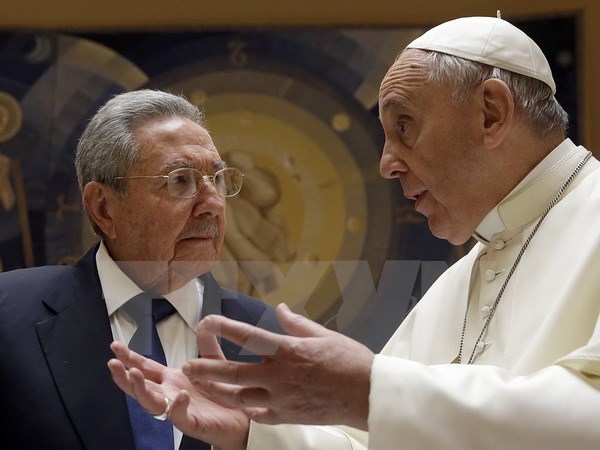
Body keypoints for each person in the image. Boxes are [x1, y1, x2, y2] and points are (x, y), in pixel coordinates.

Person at [108, 15, 600, 449]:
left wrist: (371, 390)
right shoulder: (463, 276)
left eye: (404, 126)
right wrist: (253, 433)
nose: (387, 164)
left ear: (491, 113)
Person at [0, 89, 282, 450]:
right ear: (102, 207)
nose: (212, 204)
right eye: (180, 181)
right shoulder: (9, 316)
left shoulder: (269, 339)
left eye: (218, 179)